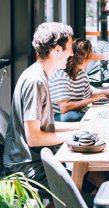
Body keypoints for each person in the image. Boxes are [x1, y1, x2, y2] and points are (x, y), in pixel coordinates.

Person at [3, 22, 76, 187]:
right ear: (57, 49)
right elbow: (34, 137)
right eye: (70, 47)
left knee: (90, 174)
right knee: (93, 179)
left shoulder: (38, 75)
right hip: (26, 167)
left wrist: (79, 128)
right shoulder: (36, 81)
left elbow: (43, 127)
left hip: (32, 160)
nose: (72, 53)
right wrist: (73, 137)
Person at [49, 38, 109, 122]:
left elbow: (91, 93)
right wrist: (90, 100)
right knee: (74, 116)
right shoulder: (62, 75)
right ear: (75, 57)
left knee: (95, 114)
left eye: (88, 57)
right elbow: (64, 107)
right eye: (85, 58)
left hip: (76, 112)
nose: (88, 61)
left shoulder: (81, 73)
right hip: (59, 116)